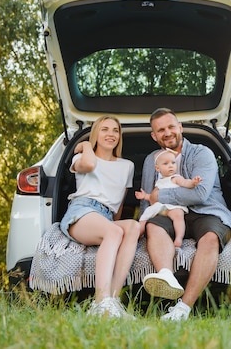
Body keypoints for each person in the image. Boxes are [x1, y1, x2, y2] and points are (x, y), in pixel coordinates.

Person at [139, 108, 231, 321]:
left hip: (207, 210)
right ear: (154, 136)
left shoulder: (202, 153)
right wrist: (142, 220)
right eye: (161, 130)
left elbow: (201, 194)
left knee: (211, 237)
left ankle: (182, 309)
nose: (167, 133)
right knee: (153, 226)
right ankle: (166, 276)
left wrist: (162, 194)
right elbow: (148, 196)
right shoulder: (151, 160)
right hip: (168, 212)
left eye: (171, 127)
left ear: (180, 127)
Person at [59, 115, 140, 319]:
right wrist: (86, 145)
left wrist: (112, 229)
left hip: (104, 216)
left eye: (115, 130)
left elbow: (118, 203)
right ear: (96, 133)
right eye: (104, 129)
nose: (111, 134)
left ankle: (112, 300)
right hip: (81, 210)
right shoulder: (82, 158)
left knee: (132, 227)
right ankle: (99, 302)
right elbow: (89, 166)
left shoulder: (127, 166)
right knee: (113, 231)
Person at [135, 148, 202, 247]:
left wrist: (193, 183)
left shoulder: (176, 178)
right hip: (159, 207)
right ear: (157, 168)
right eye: (165, 164)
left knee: (178, 216)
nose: (170, 166)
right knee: (145, 217)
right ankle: (136, 236)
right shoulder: (159, 182)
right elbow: (154, 197)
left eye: (173, 163)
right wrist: (145, 196)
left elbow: (186, 183)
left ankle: (179, 237)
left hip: (173, 206)